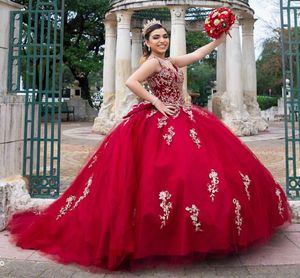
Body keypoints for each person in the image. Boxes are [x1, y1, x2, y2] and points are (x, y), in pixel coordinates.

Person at [7, 19, 291, 271]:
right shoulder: (153, 63)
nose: (162, 40)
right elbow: (132, 81)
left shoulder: (170, 61)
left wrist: (218, 39)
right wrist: (155, 102)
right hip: (160, 119)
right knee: (164, 175)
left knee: (195, 174)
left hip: (183, 116)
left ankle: (186, 231)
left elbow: (196, 54)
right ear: (147, 42)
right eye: (156, 37)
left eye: (165, 36)